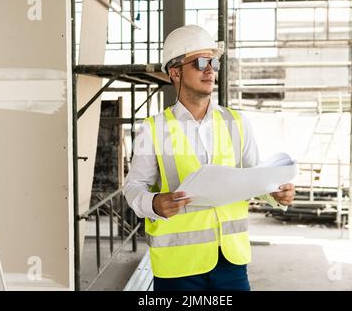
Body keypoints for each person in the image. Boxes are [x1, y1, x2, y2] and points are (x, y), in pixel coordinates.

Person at [123, 24, 295, 291]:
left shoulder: (237, 122)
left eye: (213, 62)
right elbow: (133, 188)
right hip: (177, 267)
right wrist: (154, 204)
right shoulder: (153, 128)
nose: (210, 69)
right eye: (201, 62)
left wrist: (275, 192)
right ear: (175, 72)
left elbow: (256, 178)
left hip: (231, 261)